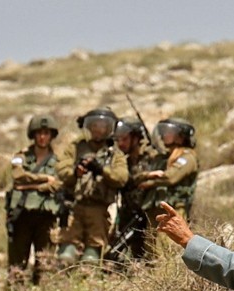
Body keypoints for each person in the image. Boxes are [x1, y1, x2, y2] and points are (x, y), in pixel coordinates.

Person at [56, 106, 129, 266]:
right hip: (74, 208)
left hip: (99, 209)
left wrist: (102, 170)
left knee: (91, 259)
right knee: (66, 256)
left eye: (103, 127)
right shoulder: (75, 148)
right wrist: (76, 173)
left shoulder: (114, 154)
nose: (99, 130)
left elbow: (121, 177)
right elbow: (61, 170)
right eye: (95, 126)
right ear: (89, 127)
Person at [6, 114, 63, 289]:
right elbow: (17, 176)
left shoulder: (59, 161)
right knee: (17, 264)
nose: (42, 137)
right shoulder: (20, 156)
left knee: (45, 262)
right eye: (39, 133)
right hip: (22, 215)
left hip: (46, 216)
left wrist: (33, 186)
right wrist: (45, 179)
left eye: (46, 133)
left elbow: (60, 183)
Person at [137, 117, 199, 257]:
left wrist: (149, 182)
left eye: (169, 132)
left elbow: (171, 177)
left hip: (174, 209)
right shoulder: (163, 157)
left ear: (181, 136)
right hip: (157, 209)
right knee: (152, 249)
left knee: (168, 249)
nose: (165, 135)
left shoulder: (187, 157)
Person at [110, 117, 154, 262]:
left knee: (151, 256)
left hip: (148, 215)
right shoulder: (122, 161)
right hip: (128, 215)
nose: (121, 143)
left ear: (135, 138)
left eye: (124, 139)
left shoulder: (151, 157)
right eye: (118, 140)